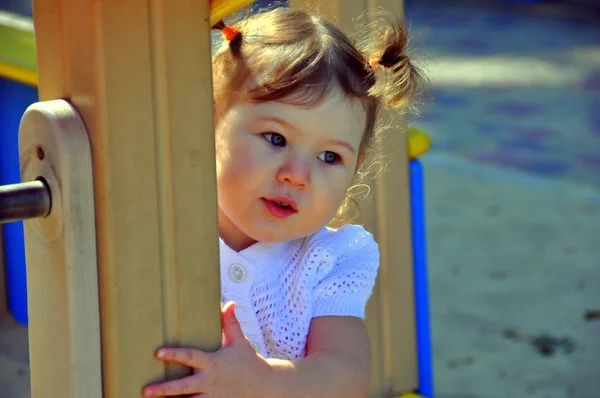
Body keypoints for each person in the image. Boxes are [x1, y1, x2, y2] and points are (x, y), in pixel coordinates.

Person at [141, 6, 425, 398]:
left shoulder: (329, 260)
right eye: (276, 138)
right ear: (207, 124)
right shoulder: (162, 226)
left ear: (355, 170)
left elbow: (347, 375)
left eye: (330, 157)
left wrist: (262, 382)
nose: (297, 175)